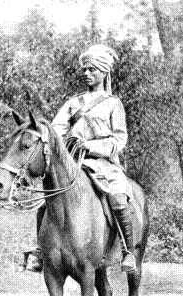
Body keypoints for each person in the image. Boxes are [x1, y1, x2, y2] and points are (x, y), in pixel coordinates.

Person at [25, 44, 136, 273]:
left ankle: (128, 252)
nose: (86, 73)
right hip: (74, 162)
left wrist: (91, 146)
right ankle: (41, 252)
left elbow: (120, 139)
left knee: (117, 198)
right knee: (46, 203)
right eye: (85, 69)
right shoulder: (73, 103)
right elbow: (55, 130)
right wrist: (58, 140)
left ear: (104, 72)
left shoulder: (113, 104)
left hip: (104, 165)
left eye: (92, 69)